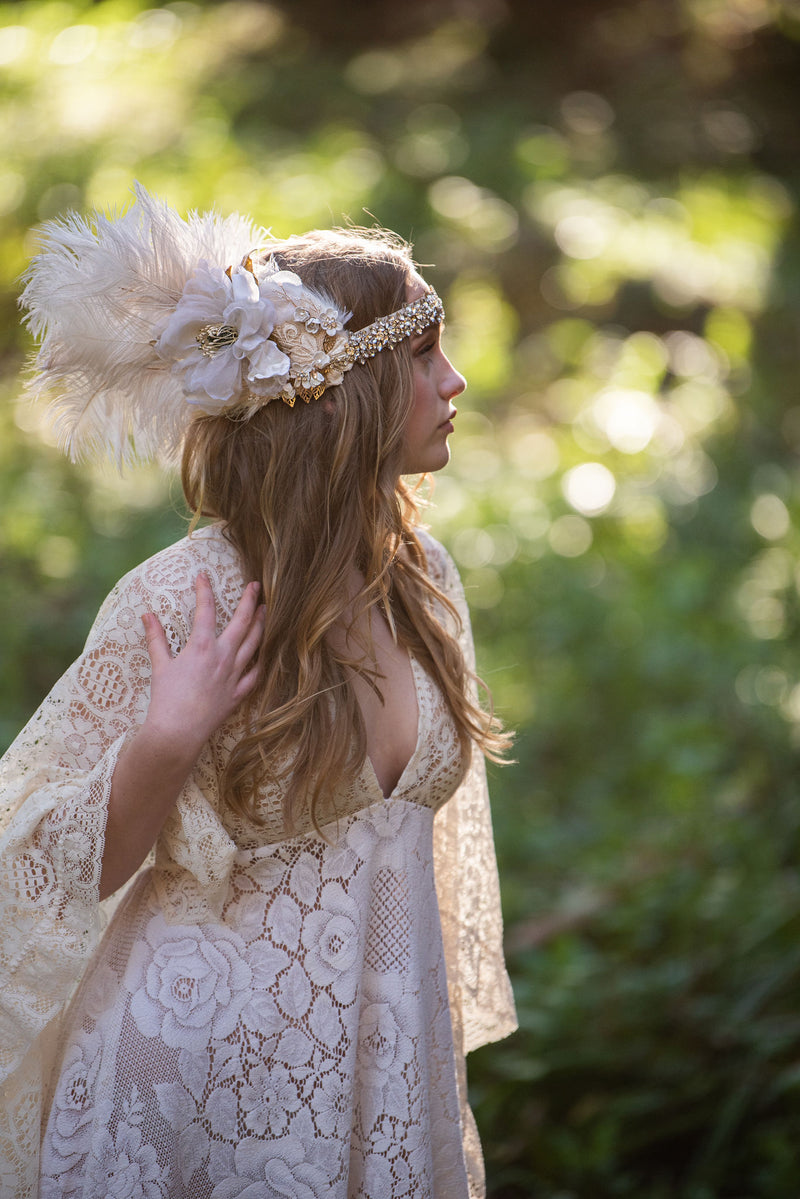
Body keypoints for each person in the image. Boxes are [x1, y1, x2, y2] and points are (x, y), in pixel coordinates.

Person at [0, 184, 517, 1199]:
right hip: (195, 1083)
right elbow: (32, 866)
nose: (455, 381)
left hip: (372, 1070)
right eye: (424, 355)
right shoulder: (185, 596)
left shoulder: (422, 579)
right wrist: (162, 740)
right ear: (344, 389)